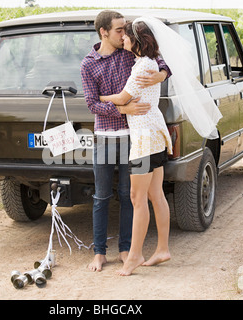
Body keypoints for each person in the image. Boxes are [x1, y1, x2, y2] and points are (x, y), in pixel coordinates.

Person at [80, 10, 171, 272]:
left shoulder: (131, 53)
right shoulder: (88, 64)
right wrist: (122, 109)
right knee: (101, 196)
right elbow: (91, 103)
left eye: (126, 31)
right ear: (103, 32)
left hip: (136, 139)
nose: (124, 35)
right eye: (119, 30)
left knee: (130, 195)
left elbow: (160, 61)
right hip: (106, 137)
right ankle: (99, 252)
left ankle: (127, 249)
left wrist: (161, 74)